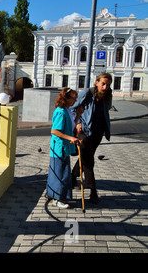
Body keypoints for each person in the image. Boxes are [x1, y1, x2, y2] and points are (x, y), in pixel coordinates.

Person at [71, 73, 113, 204]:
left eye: (108, 84)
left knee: (85, 157)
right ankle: (93, 191)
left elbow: (106, 111)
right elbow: (73, 107)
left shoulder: (108, 94)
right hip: (84, 131)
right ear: (96, 82)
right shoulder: (87, 93)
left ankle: (72, 178)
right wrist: (77, 122)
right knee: (89, 161)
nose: (105, 87)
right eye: (103, 84)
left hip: (98, 132)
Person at [47, 88, 83, 209]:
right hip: (59, 147)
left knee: (58, 171)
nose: (75, 100)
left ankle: (52, 193)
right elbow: (55, 131)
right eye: (73, 98)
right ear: (66, 98)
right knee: (61, 173)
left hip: (64, 147)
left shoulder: (67, 110)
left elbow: (71, 127)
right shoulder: (61, 112)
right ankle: (57, 198)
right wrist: (70, 138)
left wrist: (78, 116)